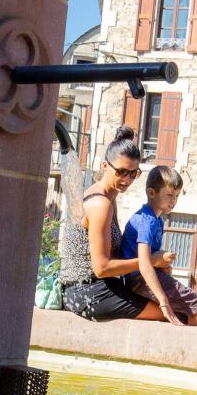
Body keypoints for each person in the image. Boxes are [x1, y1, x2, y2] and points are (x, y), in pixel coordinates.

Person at [59, 126, 174, 321]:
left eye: (133, 173)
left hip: (95, 288)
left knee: (176, 305)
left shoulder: (109, 199)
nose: (127, 179)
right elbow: (102, 268)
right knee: (175, 315)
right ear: (105, 166)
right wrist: (152, 260)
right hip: (87, 293)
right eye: (121, 172)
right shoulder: (101, 204)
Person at [121, 166, 197, 327]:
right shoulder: (147, 220)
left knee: (184, 314)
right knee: (196, 303)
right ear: (151, 193)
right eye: (169, 195)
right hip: (138, 278)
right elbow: (144, 262)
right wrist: (163, 300)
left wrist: (163, 268)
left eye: (176, 195)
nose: (173, 200)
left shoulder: (157, 220)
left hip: (140, 277)